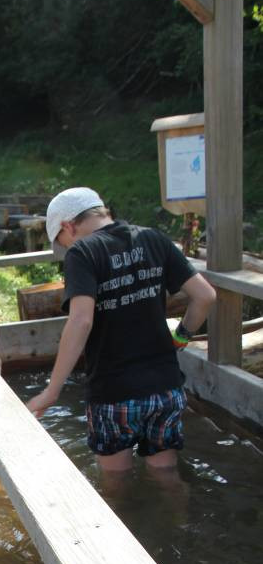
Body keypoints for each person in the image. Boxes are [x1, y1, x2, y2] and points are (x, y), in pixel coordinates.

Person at [26, 187, 216, 472]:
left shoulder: (82, 252)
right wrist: (180, 337)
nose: (66, 248)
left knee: (115, 482)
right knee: (166, 474)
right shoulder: (153, 238)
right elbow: (205, 296)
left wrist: (52, 391)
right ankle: (177, 504)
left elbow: (81, 321)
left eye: (63, 241)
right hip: (165, 387)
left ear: (68, 226)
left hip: (114, 392)